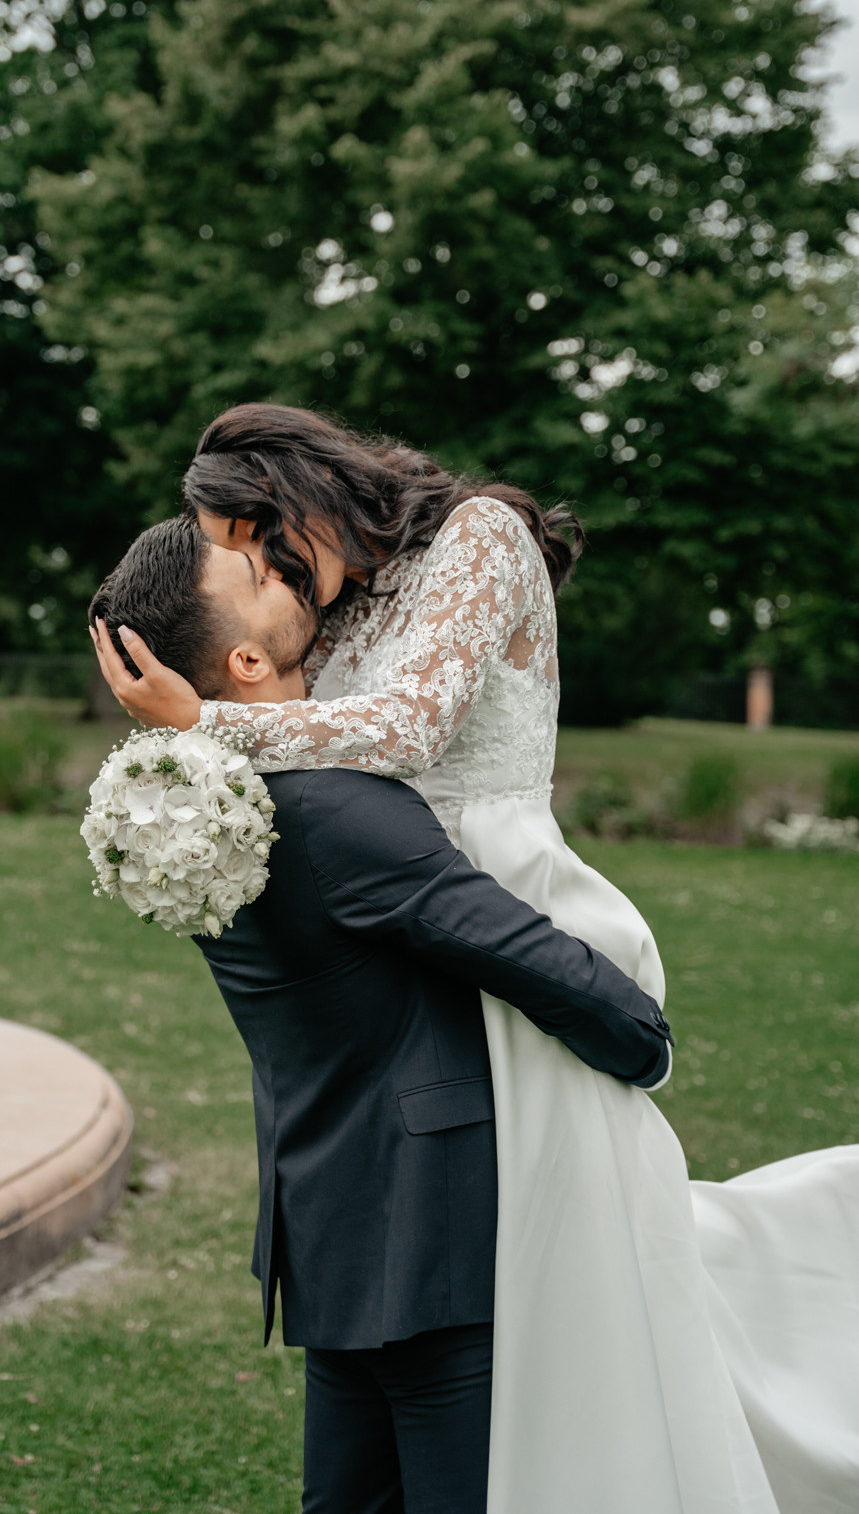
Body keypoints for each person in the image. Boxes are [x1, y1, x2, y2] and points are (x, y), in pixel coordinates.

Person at [92, 405, 859, 1514]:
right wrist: (203, 721)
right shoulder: (319, 641)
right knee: (554, 1286)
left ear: (290, 497)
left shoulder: (478, 538)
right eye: (241, 565)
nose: (263, 573)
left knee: (589, 1258)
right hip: (411, 937)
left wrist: (199, 719)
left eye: (250, 546)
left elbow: (402, 733)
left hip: (498, 894)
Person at [89, 518, 673, 1514]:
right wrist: (640, 1039)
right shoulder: (337, 810)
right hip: (432, 1225)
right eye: (255, 573)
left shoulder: (184, 804)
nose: (282, 570)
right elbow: (516, 949)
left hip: (327, 1211)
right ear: (242, 655)